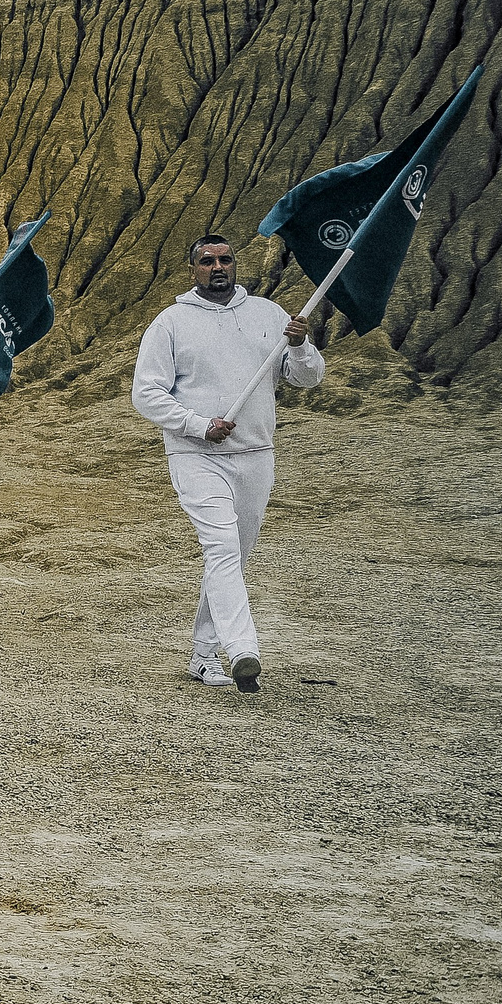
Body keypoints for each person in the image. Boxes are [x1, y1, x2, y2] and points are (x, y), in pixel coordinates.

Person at [130, 233, 322, 692]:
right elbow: (146, 393)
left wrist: (299, 346)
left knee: (233, 558)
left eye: (225, 259)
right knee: (221, 548)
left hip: (256, 455)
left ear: (235, 265)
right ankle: (242, 650)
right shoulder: (171, 323)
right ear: (192, 269)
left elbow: (307, 379)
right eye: (206, 261)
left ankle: (203, 655)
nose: (217, 267)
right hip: (196, 454)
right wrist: (198, 424)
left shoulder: (268, 315)